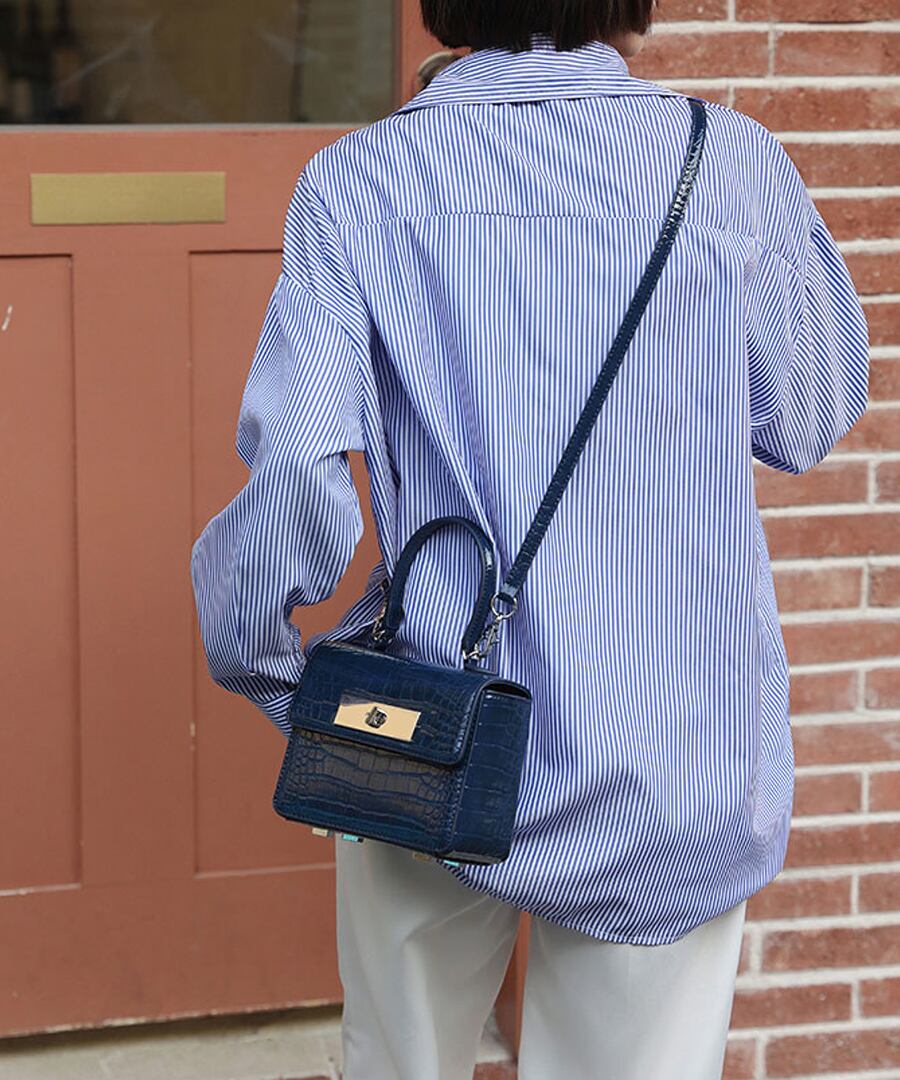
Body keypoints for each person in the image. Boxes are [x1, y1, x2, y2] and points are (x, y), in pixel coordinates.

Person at [189, 1, 870, 1077]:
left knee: (401, 1063)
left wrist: (276, 674)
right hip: (672, 747)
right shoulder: (727, 163)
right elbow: (808, 413)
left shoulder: (361, 181)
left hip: (423, 724)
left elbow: (298, 470)